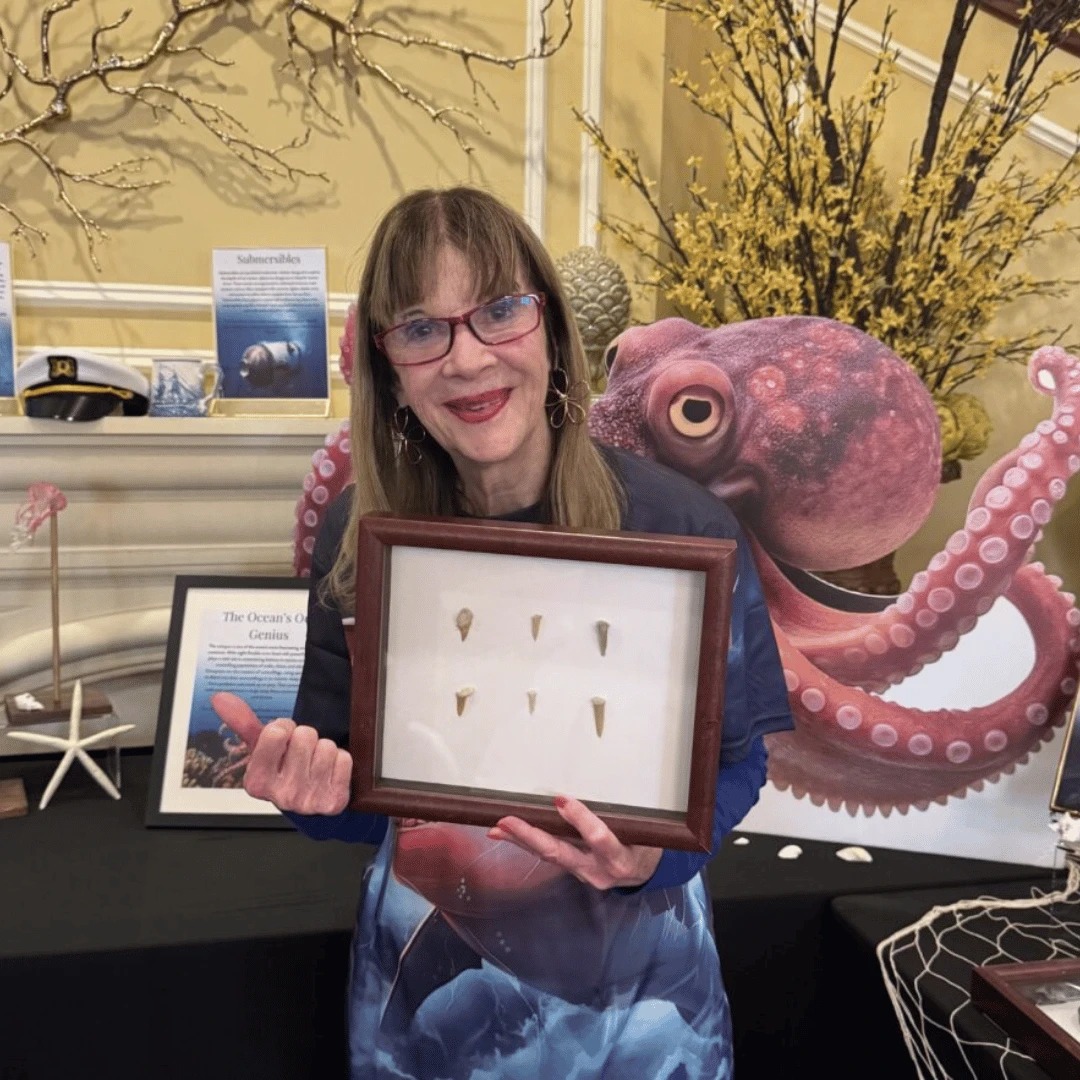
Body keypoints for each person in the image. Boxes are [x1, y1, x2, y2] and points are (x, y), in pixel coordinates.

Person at [212, 186, 794, 1080]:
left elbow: (742, 760)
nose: (467, 358)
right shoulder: (358, 536)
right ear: (388, 368)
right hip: (426, 1006)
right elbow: (357, 793)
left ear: (551, 327)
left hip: (639, 1007)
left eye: (499, 311)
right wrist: (309, 794)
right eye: (421, 328)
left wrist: (653, 859)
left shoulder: (681, 526)